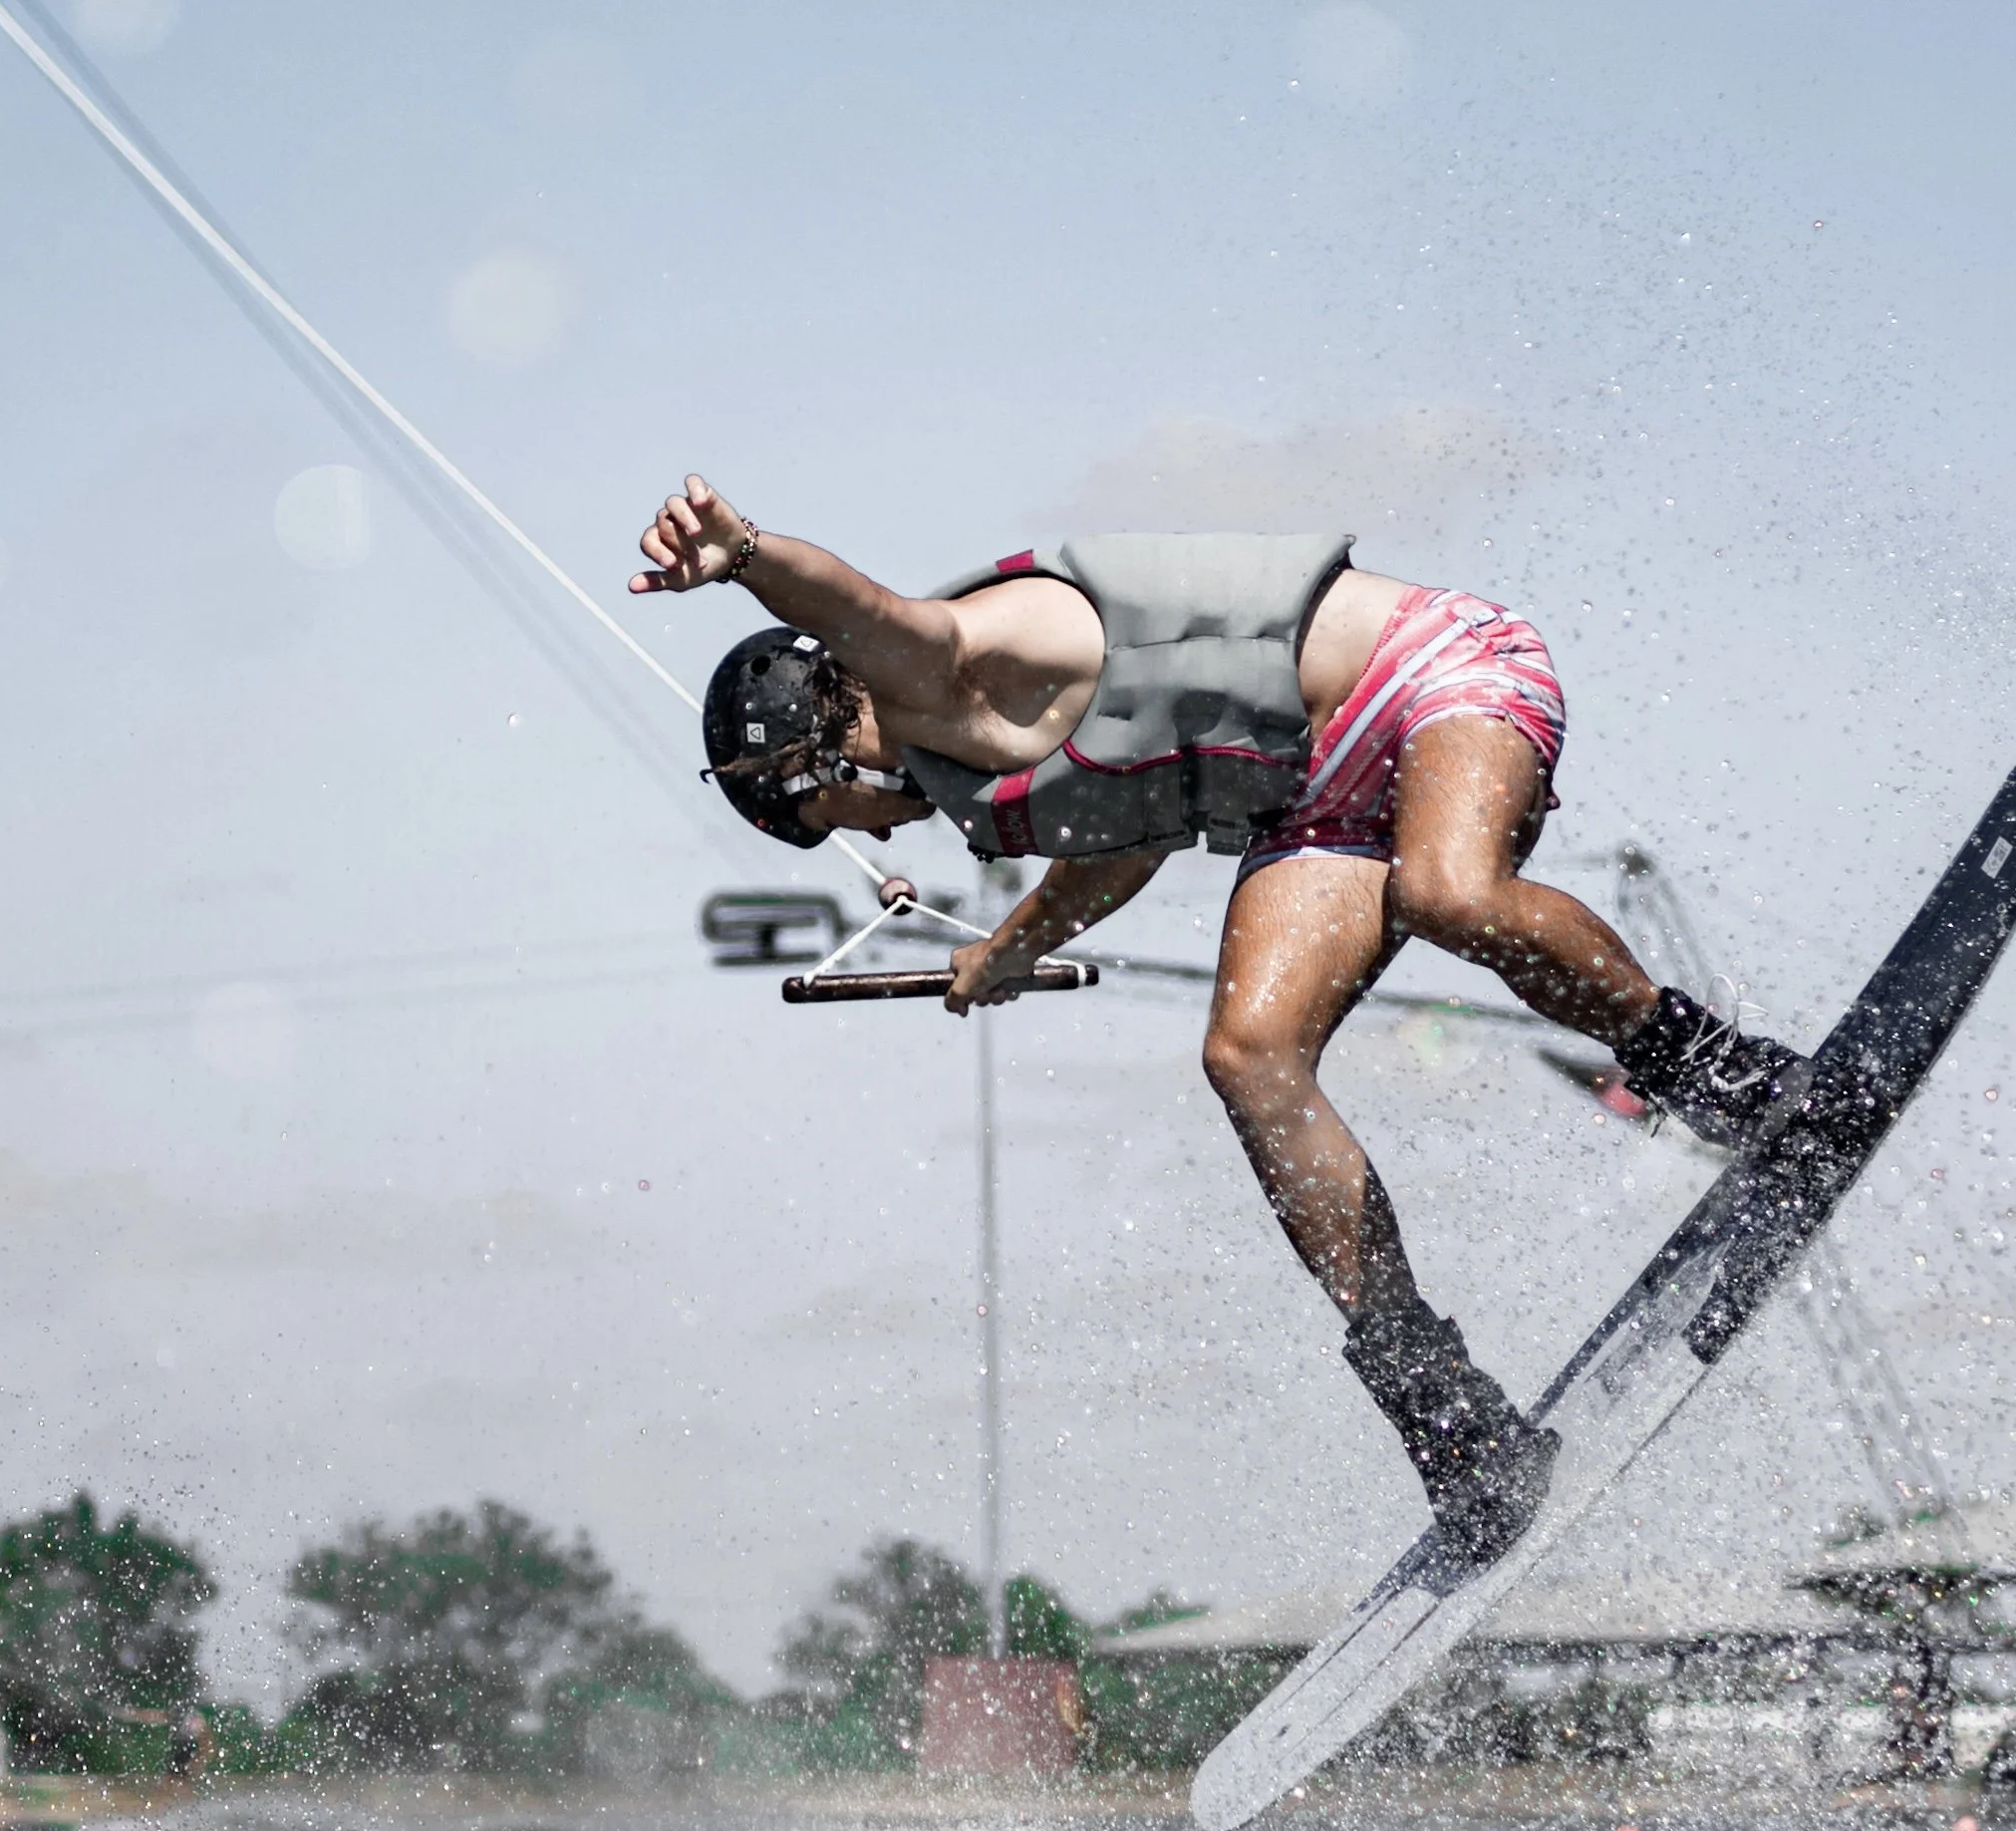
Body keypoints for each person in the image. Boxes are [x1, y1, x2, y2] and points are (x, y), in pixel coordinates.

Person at [631, 476, 1807, 1562]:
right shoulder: (963, 768)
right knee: (1248, 1056)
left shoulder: (944, 667)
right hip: (1318, 799)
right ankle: (1444, 1407)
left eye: (823, 817)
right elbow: (1123, 843)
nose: (869, 835)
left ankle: (1741, 1085)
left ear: (808, 754)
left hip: (1431, 674)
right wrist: (1004, 950)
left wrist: (741, 553)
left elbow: (870, 611)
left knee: (1449, 891)